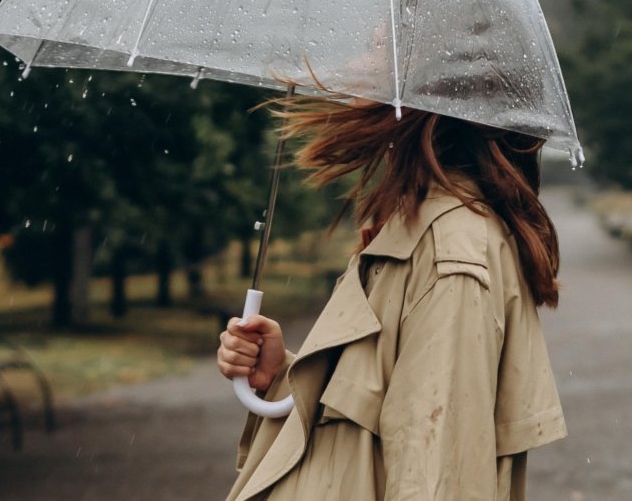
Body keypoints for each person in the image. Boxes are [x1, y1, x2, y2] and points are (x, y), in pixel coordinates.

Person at [218, 96, 566, 501]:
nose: (362, 63)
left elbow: (436, 473)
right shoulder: (417, 230)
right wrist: (284, 373)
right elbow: (369, 420)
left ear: (426, 94)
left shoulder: (449, 254)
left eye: (377, 47)